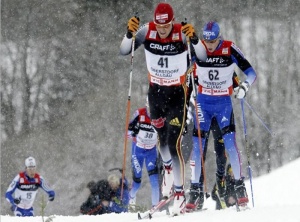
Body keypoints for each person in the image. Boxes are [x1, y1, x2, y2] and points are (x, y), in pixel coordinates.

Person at [120, 2, 207, 215]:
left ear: (172, 21)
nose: (162, 29)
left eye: (166, 25)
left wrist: (195, 39)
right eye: (160, 26)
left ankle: (179, 193)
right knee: (161, 138)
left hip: (178, 94)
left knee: (173, 142)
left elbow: (203, 57)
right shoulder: (147, 31)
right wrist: (129, 34)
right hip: (155, 94)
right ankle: (167, 168)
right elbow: (124, 50)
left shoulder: (180, 32)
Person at [187, 21, 257, 210]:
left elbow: (251, 72)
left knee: (230, 145)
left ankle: (240, 186)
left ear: (219, 37)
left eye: (213, 41)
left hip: (223, 104)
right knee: (197, 146)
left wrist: (244, 86)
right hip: (203, 103)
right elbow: (182, 68)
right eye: (206, 41)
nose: (209, 45)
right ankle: (194, 191)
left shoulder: (229, 48)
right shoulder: (197, 48)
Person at [127, 99, 160, 210]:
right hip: (138, 151)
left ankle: (155, 206)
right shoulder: (140, 113)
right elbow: (129, 130)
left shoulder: (160, 116)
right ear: (147, 106)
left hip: (151, 152)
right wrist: (132, 132)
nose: (152, 111)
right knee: (137, 182)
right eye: (150, 107)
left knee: (155, 181)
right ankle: (131, 199)